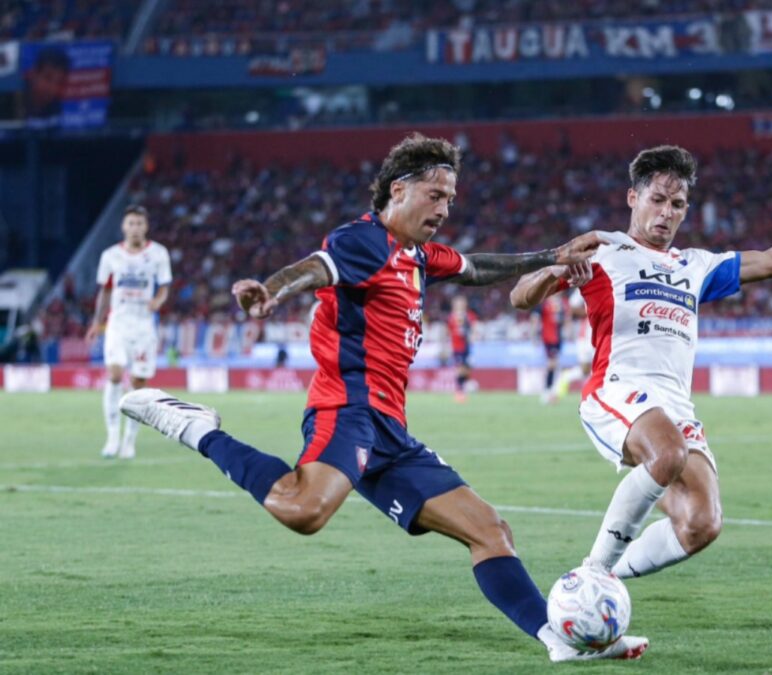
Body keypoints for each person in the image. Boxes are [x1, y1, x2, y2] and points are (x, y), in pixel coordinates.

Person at [120, 134, 645, 662]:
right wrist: (273, 290)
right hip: (346, 406)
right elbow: (315, 267)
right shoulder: (364, 241)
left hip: (390, 429)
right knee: (304, 510)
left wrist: (552, 256)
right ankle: (198, 429)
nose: (444, 207)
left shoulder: (419, 256)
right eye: (435, 194)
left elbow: (477, 268)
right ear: (400, 188)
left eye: (450, 199)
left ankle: (560, 642)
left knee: (490, 530)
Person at [510, 145, 772, 582]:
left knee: (701, 523)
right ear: (633, 198)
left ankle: (605, 583)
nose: (667, 213)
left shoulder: (695, 266)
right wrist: (556, 264)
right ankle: (591, 576)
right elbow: (521, 296)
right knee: (667, 451)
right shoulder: (601, 250)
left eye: (678, 204)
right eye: (657, 200)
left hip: (674, 405)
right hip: (616, 390)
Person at [85, 205, 172, 459]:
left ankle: (129, 440)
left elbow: (165, 285)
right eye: (131, 223)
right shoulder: (111, 255)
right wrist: (95, 322)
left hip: (144, 326)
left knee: (138, 383)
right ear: (124, 227)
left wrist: (158, 300)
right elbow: (106, 291)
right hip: (118, 323)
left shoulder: (158, 253)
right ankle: (112, 436)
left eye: (139, 223)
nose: (135, 228)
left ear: (146, 227)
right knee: (114, 374)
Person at [555, 288, 594, 398]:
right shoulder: (587, 284)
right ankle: (566, 377)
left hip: (605, 335)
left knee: (599, 368)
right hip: (586, 336)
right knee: (585, 370)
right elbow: (572, 308)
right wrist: (593, 311)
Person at [446, 294, 478, 403]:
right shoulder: (451, 317)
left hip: (467, 346)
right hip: (457, 347)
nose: (460, 305)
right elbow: (449, 332)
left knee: (466, 370)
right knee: (460, 369)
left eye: (461, 303)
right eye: (458, 303)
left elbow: (474, 328)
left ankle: (463, 389)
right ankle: (459, 392)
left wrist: (473, 337)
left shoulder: (469, 315)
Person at [536, 294, 566, 404]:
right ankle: (547, 391)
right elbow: (536, 318)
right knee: (551, 364)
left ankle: (550, 391)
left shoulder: (561, 303)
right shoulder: (545, 304)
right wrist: (534, 335)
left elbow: (563, 320)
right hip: (549, 338)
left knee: (554, 364)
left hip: (558, 339)